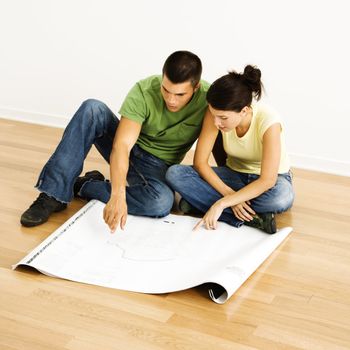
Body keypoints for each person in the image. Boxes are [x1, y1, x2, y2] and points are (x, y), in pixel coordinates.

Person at [21, 51, 210, 231]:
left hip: (158, 166)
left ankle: (82, 186)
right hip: (130, 148)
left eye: (180, 95)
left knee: (160, 202)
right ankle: (53, 194)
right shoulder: (144, 91)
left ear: (196, 87)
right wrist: (118, 194)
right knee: (92, 109)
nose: (171, 100)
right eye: (166, 90)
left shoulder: (209, 99)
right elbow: (122, 145)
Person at [165, 65, 294, 234]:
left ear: (244, 111)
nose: (216, 123)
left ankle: (201, 204)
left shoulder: (269, 121)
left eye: (223, 118)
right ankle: (255, 219)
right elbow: (200, 162)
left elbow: (267, 180)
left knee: (281, 198)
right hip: (234, 175)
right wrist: (230, 195)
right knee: (174, 174)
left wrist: (222, 203)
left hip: (272, 181)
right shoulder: (214, 114)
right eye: (214, 115)